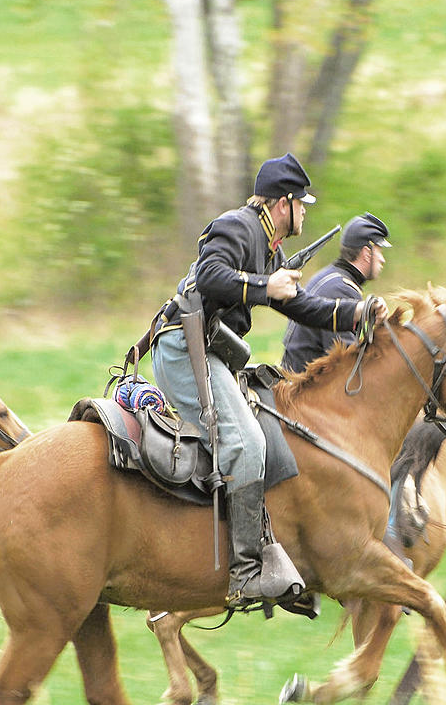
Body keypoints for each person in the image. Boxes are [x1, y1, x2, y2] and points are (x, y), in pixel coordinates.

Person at [150, 153, 386, 607]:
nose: (305, 212)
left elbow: (303, 307)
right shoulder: (237, 227)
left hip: (209, 351)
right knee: (249, 445)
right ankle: (245, 573)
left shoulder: (269, 246)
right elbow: (209, 275)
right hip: (185, 350)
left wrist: (358, 311)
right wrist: (264, 287)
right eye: (303, 204)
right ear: (284, 204)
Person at [281, 212, 391, 373]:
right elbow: (348, 367)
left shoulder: (329, 277)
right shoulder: (342, 289)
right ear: (367, 254)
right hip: (305, 391)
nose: (382, 259)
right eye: (379, 251)